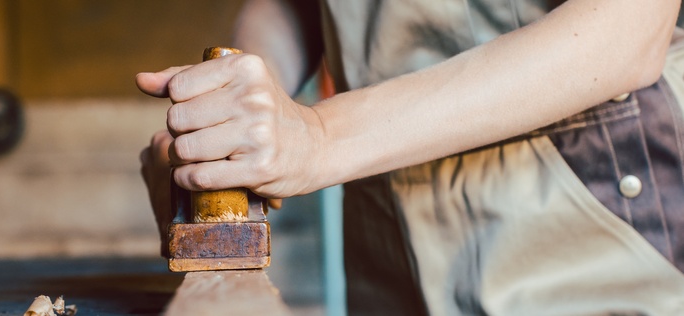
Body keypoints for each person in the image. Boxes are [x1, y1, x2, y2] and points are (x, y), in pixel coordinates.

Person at [138, 0, 684, 314]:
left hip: (592, 225)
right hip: (390, 241)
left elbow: (626, 31)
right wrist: (237, 124)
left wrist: (319, 135)